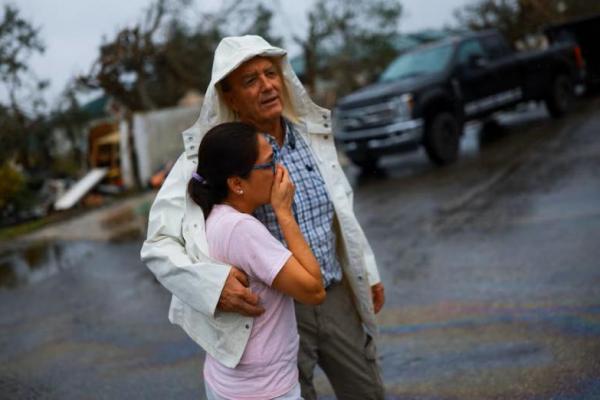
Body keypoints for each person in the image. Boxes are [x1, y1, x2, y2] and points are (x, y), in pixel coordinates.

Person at [141, 35, 385, 399]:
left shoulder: (309, 135)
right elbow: (158, 245)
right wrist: (212, 285)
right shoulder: (211, 158)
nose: (267, 85)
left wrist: (368, 269)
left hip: (334, 295)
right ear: (229, 96)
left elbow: (341, 207)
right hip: (275, 316)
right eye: (250, 80)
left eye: (270, 73)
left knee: (367, 391)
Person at [189, 122, 325, 399]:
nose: (278, 170)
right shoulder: (242, 230)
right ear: (237, 183)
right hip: (263, 389)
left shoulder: (208, 217)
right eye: (269, 163)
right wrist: (284, 213)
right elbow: (314, 290)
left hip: (226, 379)